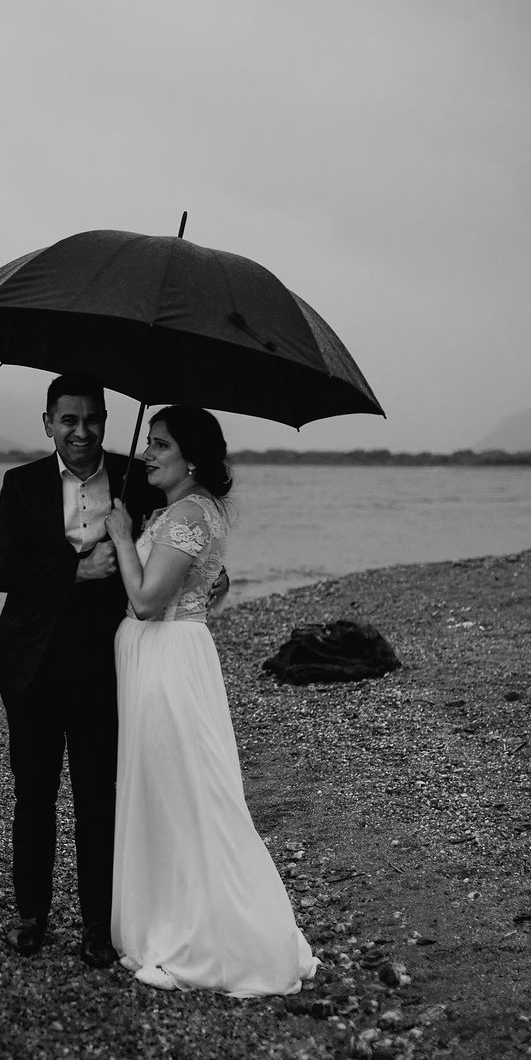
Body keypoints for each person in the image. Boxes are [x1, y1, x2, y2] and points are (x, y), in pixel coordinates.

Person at [102, 406, 317, 996]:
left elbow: (147, 601)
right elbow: (206, 586)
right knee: (178, 787)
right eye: (150, 442)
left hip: (165, 655)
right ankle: (176, 914)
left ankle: (206, 932)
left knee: (181, 791)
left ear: (191, 458)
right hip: (173, 650)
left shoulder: (185, 515)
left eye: (161, 445)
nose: (148, 453)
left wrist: (122, 537)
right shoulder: (194, 512)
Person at [0, 372, 158, 968]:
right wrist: (76, 570)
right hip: (30, 664)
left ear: (106, 422)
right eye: (68, 420)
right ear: (48, 423)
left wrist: (204, 577)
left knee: (98, 797)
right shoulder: (21, 484)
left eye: (92, 420)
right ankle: (31, 914)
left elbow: (165, 557)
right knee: (34, 795)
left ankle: (96, 927)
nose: (81, 431)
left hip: (106, 663)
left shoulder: (137, 482)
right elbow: (3, 569)